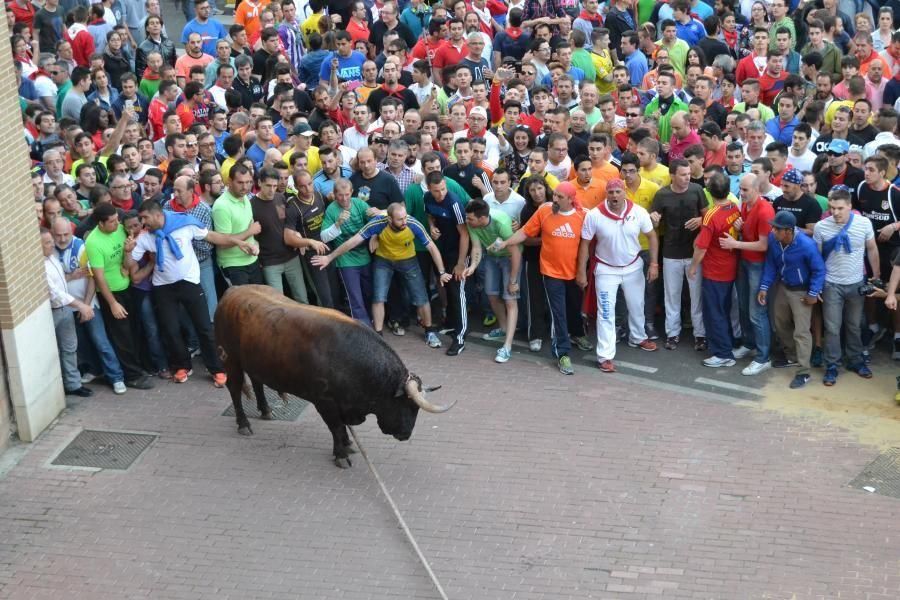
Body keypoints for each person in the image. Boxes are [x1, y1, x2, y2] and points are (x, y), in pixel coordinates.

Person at [126, 197, 256, 385]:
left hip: (190, 282)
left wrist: (238, 242)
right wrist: (128, 252)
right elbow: (129, 265)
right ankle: (182, 366)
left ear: (157, 215)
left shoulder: (184, 223)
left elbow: (213, 236)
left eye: (145, 218)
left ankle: (217, 368)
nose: (142, 222)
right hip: (163, 287)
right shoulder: (145, 236)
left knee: (204, 327)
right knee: (171, 329)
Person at [312, 202, 451, 347]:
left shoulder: (412, 223)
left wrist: (441, 272)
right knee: (378, 297)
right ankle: (378, 335)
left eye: (405, 217)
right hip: (384, 261)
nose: (405, 221)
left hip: (408, 261)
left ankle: (429, 332)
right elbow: (352, 242)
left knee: (421, 297)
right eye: (400, 219)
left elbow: (432, 247)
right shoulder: (378, 223)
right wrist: (329, 257)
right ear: (389, 219)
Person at [497, 181, 586, 375]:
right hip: (550, 272)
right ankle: (563, 354)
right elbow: (524, 232)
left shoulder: (583, 215)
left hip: (573, 274)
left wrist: (582, 272)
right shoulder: (545, 210)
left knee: (573, 309)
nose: (554, 199)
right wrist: (506, 243)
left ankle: (577, 335)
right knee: (558, 313)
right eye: (554, 195)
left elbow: (592, 240)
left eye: (560, 197)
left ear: (571, 200)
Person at [578, 178, 659, 373]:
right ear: (607, 193)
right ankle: (605, 356)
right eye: (611, 192)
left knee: (637, 305)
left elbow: (652, 236)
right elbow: (585, 243)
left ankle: (638, 337)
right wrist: (581, 271)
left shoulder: (638, 212)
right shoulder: (595, 215)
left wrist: (654, 264)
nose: (614, 196)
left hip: (633, 267)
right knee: (606, 312)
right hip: (606, 270)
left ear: (624, 192)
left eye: (618, 192)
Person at [83, 202, 155, 390]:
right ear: (100, 223)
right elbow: (98, 277)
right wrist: (113, 303)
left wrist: (127, 255)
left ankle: (139, 367)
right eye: (113, 222)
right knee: (122, 337)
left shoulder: (120, 230)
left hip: (128, 287)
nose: (118, 224)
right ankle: (132, 376)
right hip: (112, 293)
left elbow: (127, 259)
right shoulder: (93, 242)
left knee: (134, 330)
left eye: (117, 220)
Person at [814, 186, 881, 385]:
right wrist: (816, 286)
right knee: (833, 328)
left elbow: (872, 249)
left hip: (856, 283)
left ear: (850, 207)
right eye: (832, 208)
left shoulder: (863, 223)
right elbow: (817, 259)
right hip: (831, 284)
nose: (835, 212)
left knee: (854, 325)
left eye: (840, 208)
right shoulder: (821, 227)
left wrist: (875, 277)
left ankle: (855, 360)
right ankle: (832, 365)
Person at [759, 211, 826, 389]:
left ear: (788, 231)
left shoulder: (806, 245)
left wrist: (813, 293)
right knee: (780, 323)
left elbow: (819, 270)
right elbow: (771, 264)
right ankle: (792, 357)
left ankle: (804, 372)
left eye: (777, 229)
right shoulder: (774, 240)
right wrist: (765, 286)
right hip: (783, 286)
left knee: (802, 332)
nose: (773, 231)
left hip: (802, 291)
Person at [720, 173, 775, 376]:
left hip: (758, 265)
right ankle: (749, 344)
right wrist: (742, 229)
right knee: (744, 306)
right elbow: (751, 233)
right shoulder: (746, 205)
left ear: (757, 190)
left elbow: (763, 245)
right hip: (745, 261)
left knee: (757, 311)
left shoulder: (765, 210)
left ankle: (763, 357)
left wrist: (736, 243)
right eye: (740, 189)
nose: (741, 194)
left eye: (745, 190)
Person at [650, 159, 707, 351]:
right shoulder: (662, 195)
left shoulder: (697, 190)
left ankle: (700, 334)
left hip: (694, 253)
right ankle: (672, 334)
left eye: (689, 173)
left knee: (696, 296)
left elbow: (707, 217)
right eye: (683, 174)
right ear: (672, 176)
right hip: (671, 253)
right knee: (671, 296)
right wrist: (654, 220)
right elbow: (654, 225)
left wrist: (700, 220)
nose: (687, 177)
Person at [689, 171, 741, 368]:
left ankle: (722, 353)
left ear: (709, 192)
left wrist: (693, 267)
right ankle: (727, 346)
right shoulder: (734, 207)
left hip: (714, 271)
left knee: (714, 312)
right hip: (730, 267)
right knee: (724, 310)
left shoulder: (711, 215)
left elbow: (701, 247)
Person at [462, 198, 522, 364]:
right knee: (492, 295)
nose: (467, 221)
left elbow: (516, 253)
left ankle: (507, 346)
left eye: (470, 219)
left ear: (482, 218)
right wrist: (473, 266)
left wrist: (513, 280)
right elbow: (476, 247)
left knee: (510, 299)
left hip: (510, 259)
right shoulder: (472, 223)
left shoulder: (500, 223)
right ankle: (503, 328)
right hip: (491, 257)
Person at [42, 227, 94, 398]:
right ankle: (59, 387)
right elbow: (54, 293)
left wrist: (71, 277)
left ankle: (73, 384)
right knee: (55, 350)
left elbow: (61, 283)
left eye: (51, 241)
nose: (52, 245)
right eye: (48, 243)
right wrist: (81, 305)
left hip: (64, 309)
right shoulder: (40, 265)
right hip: (52, 311)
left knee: (70, 347)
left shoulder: (53, 258)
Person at [211, 163, 263, 285]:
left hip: (252, 260)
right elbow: (222, 243)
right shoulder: (221, 206)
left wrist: (255, 246)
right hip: (233, 265)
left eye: (249, 182)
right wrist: (250, 232)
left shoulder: (245, 197)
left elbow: (249, 229)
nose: (245, 187)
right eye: (240, 183)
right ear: (229, 181)